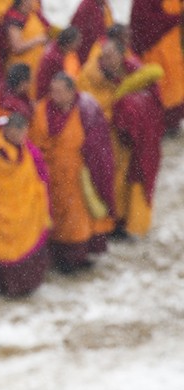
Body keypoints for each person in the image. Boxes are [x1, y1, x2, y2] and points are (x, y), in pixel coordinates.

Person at [77, 37, 165, 238]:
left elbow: (151, 96)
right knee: (109, 179)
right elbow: (88, 108)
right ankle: (109, 221)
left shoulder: (133, 70)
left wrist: (131, 112)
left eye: (110, 56)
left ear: (121, 55)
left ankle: (125, 220)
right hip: (104, 138)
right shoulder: (90, 75)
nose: (105, 61)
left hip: (129, 139)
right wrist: (115, 112)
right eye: (103, 56)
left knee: (128, 180)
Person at [29, 73, 115, 272]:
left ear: (71, 92)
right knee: (53, 218)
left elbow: (98, 145)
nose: (54, 96)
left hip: (75, 175)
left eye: (59, 91)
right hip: (49, 175)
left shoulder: (84, 111)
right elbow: (35, 141)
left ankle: (76, 258)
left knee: (77, 221)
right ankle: (58, 259)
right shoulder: (42, 109)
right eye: (52, 91)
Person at [0, 113, 51, 296]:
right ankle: (3, 288)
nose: (22, 138)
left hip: (26, 207)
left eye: (24, 133)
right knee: (1, 248)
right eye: (18, 133)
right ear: (8, 131)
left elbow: (41, 172)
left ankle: (26, 286)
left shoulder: (28, 149)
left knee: (28, 247)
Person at [130, 0, 184, 132]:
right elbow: (144, 22)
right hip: (154, 50)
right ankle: (160, 126)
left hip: (173, 46)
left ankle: (172, 124)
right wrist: (175, 19)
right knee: (158, 88)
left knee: (175, 87)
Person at [2, 0, 49, 97]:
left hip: (35, 68)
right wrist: (37, 40)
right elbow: (16, 47)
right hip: (20, 69)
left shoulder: (32, 15)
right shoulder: (14, 19)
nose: (30, 4)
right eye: (26, 2)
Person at [35, 26, 82, 99]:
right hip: (46, 96)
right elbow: (59, 83)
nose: (79, 44)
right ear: (69, 43)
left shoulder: (55, 46)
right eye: (77, 41)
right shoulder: (55, 58)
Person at [70, 0, 114, 64]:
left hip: (99, 46)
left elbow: (109, 25)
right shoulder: (87, 5)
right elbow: (79, 30)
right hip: (87, 48)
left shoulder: (103, 5)